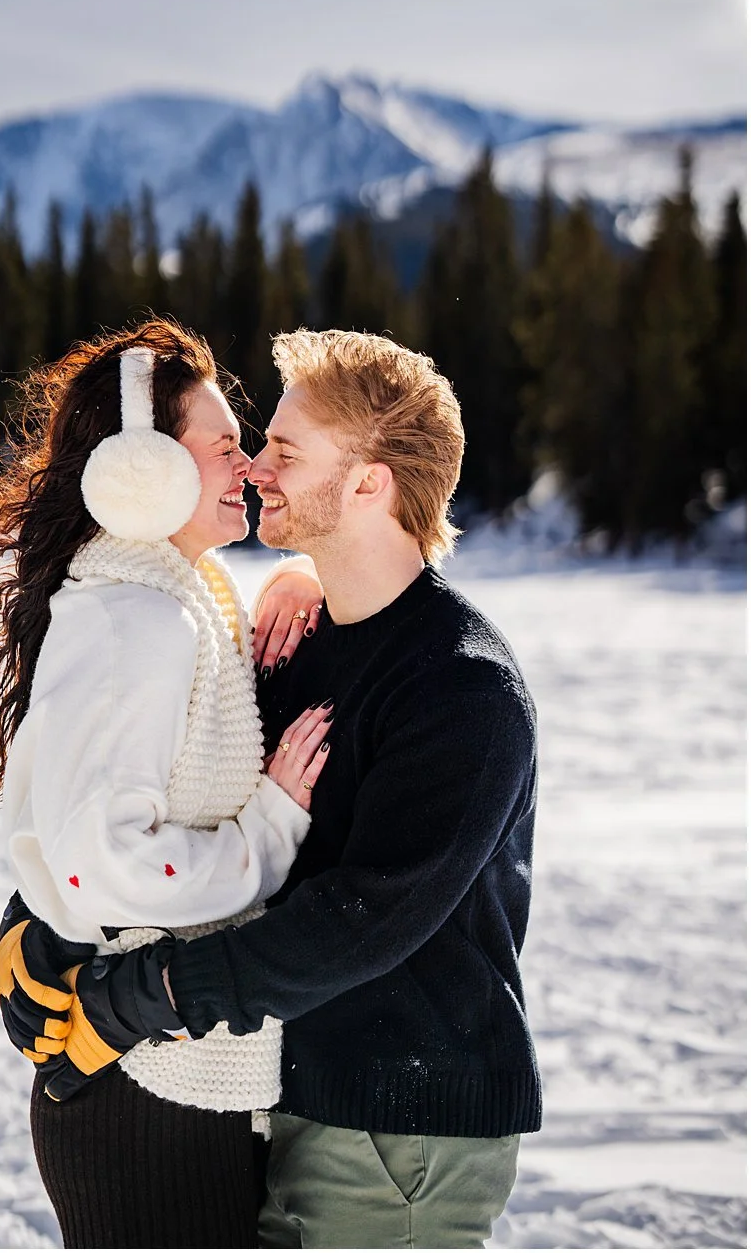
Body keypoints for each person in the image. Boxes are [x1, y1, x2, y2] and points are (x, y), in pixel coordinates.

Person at [34, 330, 540, 1249]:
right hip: (294, 1098)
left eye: (284, 451)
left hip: (402, 1129)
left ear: (369, 484)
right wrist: (44, 930)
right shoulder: (295, 646)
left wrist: (147, 994)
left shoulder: (463, 688)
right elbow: (174, 801)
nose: (256, 468)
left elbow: (361, 917)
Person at [0, 318, 336, 1248]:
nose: (246, 464)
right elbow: (100, 862)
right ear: (143, 467)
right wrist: (270, 827)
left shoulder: (179, 594)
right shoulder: (136, 621)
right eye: (223, 444)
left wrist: (299, 577)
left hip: (168, 1068)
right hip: (142, 1088)